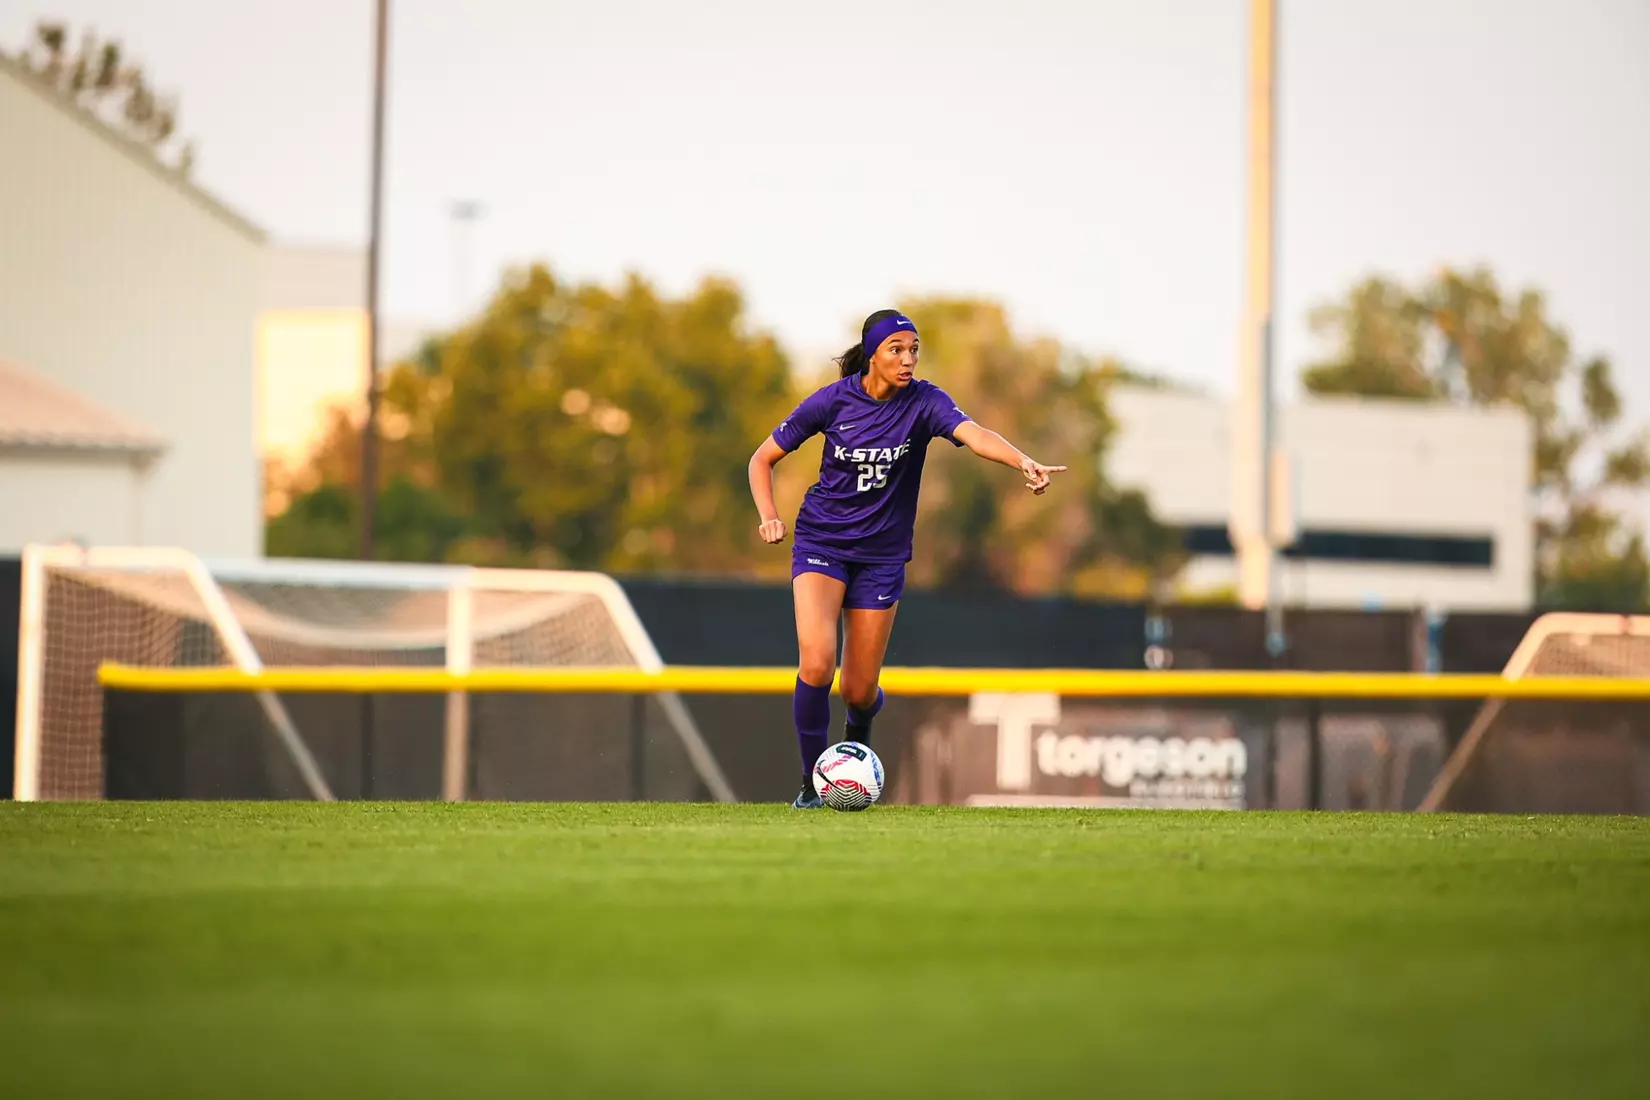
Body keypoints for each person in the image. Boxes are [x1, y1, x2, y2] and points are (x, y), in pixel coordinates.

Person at [747, 309, 1067, 808]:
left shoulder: (925, 402)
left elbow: (975, 433)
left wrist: (1021, 459)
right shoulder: (833, 401)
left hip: (881, 557)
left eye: (913, 349)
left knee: (857, 690)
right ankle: (812, 784)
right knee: (816, 663)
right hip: (822, 543)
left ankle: (858, 741)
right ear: (872, 353)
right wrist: (769, 514)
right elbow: (761, 458)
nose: (907, 358)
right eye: (896, 349)